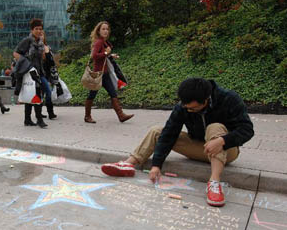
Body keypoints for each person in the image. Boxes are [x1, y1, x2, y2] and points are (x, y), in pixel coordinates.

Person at [101, 78, 254, 208]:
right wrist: (156, 165)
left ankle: (214, 183)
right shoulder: (183, 106)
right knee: (157, 131)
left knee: (214, 127)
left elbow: (247, 129)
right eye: (186, 107)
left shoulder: (229, 99)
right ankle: (129, 164)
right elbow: (169, 133)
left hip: (227, 151)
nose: (188, 110)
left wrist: (222, 140)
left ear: (206, 100)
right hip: (199, 147)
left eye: (193, 108)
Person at [85, 21, 133, 124]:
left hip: (105, 74)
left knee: (113, 93)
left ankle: (121, 115)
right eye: (103, 29)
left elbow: (103, 55)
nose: (106, 31)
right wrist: (106, 52)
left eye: (107, 29)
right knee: (92, 95)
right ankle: (87, 116)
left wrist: (111, 55)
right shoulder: (99, 42)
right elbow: (94, 56)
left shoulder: (104, 42)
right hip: (98, 74)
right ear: (98, 30)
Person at [13, 18, 47, 128]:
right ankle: (39, 120)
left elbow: (43, 58)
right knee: (36, 94)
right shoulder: (27, 40)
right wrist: (26, 63)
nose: (38, 31)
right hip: (29, 72)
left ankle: (27, 119)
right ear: (32, 30)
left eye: (40, 29)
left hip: (39, 71)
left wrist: (43, 50)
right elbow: (16, 53)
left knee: (32, 95)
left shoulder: (40, 43)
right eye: (36, 29)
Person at [41, 32, 57, 119]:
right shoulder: (34, 48)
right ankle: (49, 113)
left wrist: (47, 52)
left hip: (48, 74)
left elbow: (51, 62)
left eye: (42, 34)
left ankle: (48, 113)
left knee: (46, 93)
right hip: (39, 74)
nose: (40, 36)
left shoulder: (47, 47)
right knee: (46, 92)